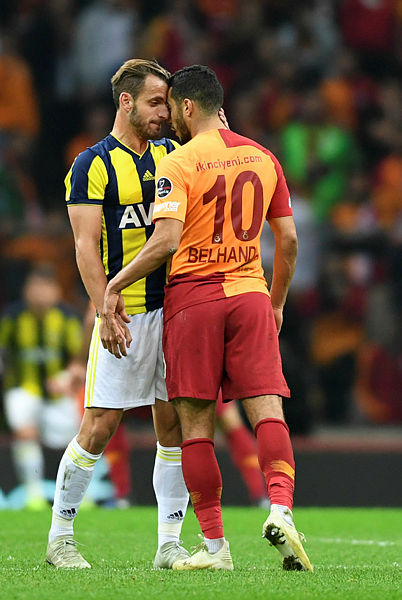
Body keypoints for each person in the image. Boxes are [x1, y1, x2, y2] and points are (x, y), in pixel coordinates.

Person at [102, 65, 313, 572]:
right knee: (267, 410)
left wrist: (115, 284)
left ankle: (216, 547)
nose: (169, 119)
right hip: (250, 294)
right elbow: (287, 240)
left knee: (195, 427)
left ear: (187, 106)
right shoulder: (263, 156)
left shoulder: (178, 162)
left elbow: (166, 241)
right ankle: (281, 509)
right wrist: (276, 302)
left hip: (193, 301)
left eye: (172, 108)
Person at [45, 59, 191, 570]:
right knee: (100, 425)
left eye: (167, 104)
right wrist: (104, 309)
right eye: (155, 103)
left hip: (174, 311)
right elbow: (85, 247)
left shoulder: (172, 153)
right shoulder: (91, 164)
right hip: (125, 314)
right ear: (126, 102)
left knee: (172, 424)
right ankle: (60, 538)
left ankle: (169, 544)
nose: (164, 113)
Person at [0, 265, 82, 509]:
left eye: (45, 288)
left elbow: (80, 358)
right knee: (25, 431)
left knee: (71, 442)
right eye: (35, 287)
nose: (40, 294)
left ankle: (76, 496)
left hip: (59, 393)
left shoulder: (67, 318)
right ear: (26, 290)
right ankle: (33, 492)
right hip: (23, 388)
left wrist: (66, 377)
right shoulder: (12, 317)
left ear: (56, 291)